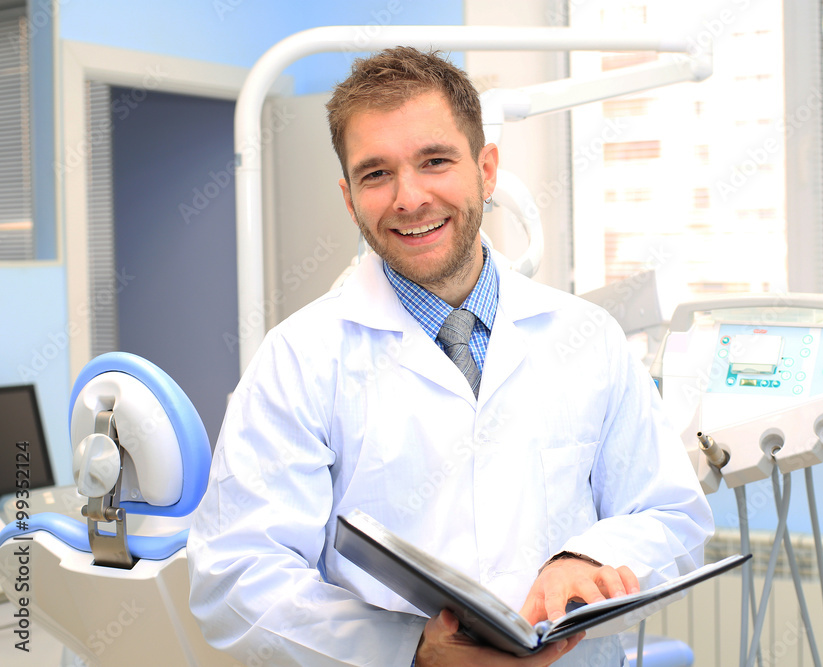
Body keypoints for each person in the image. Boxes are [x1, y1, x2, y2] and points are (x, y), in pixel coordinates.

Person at [187, 46, 713, 667]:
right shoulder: (299, 360)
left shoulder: (587, 337)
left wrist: (587, 561)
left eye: (435, 161)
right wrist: (410, 650)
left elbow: (671, 514)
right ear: (349, 195)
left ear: (486, 170)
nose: (409, 198)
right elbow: (238, 576)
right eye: (376, 174)